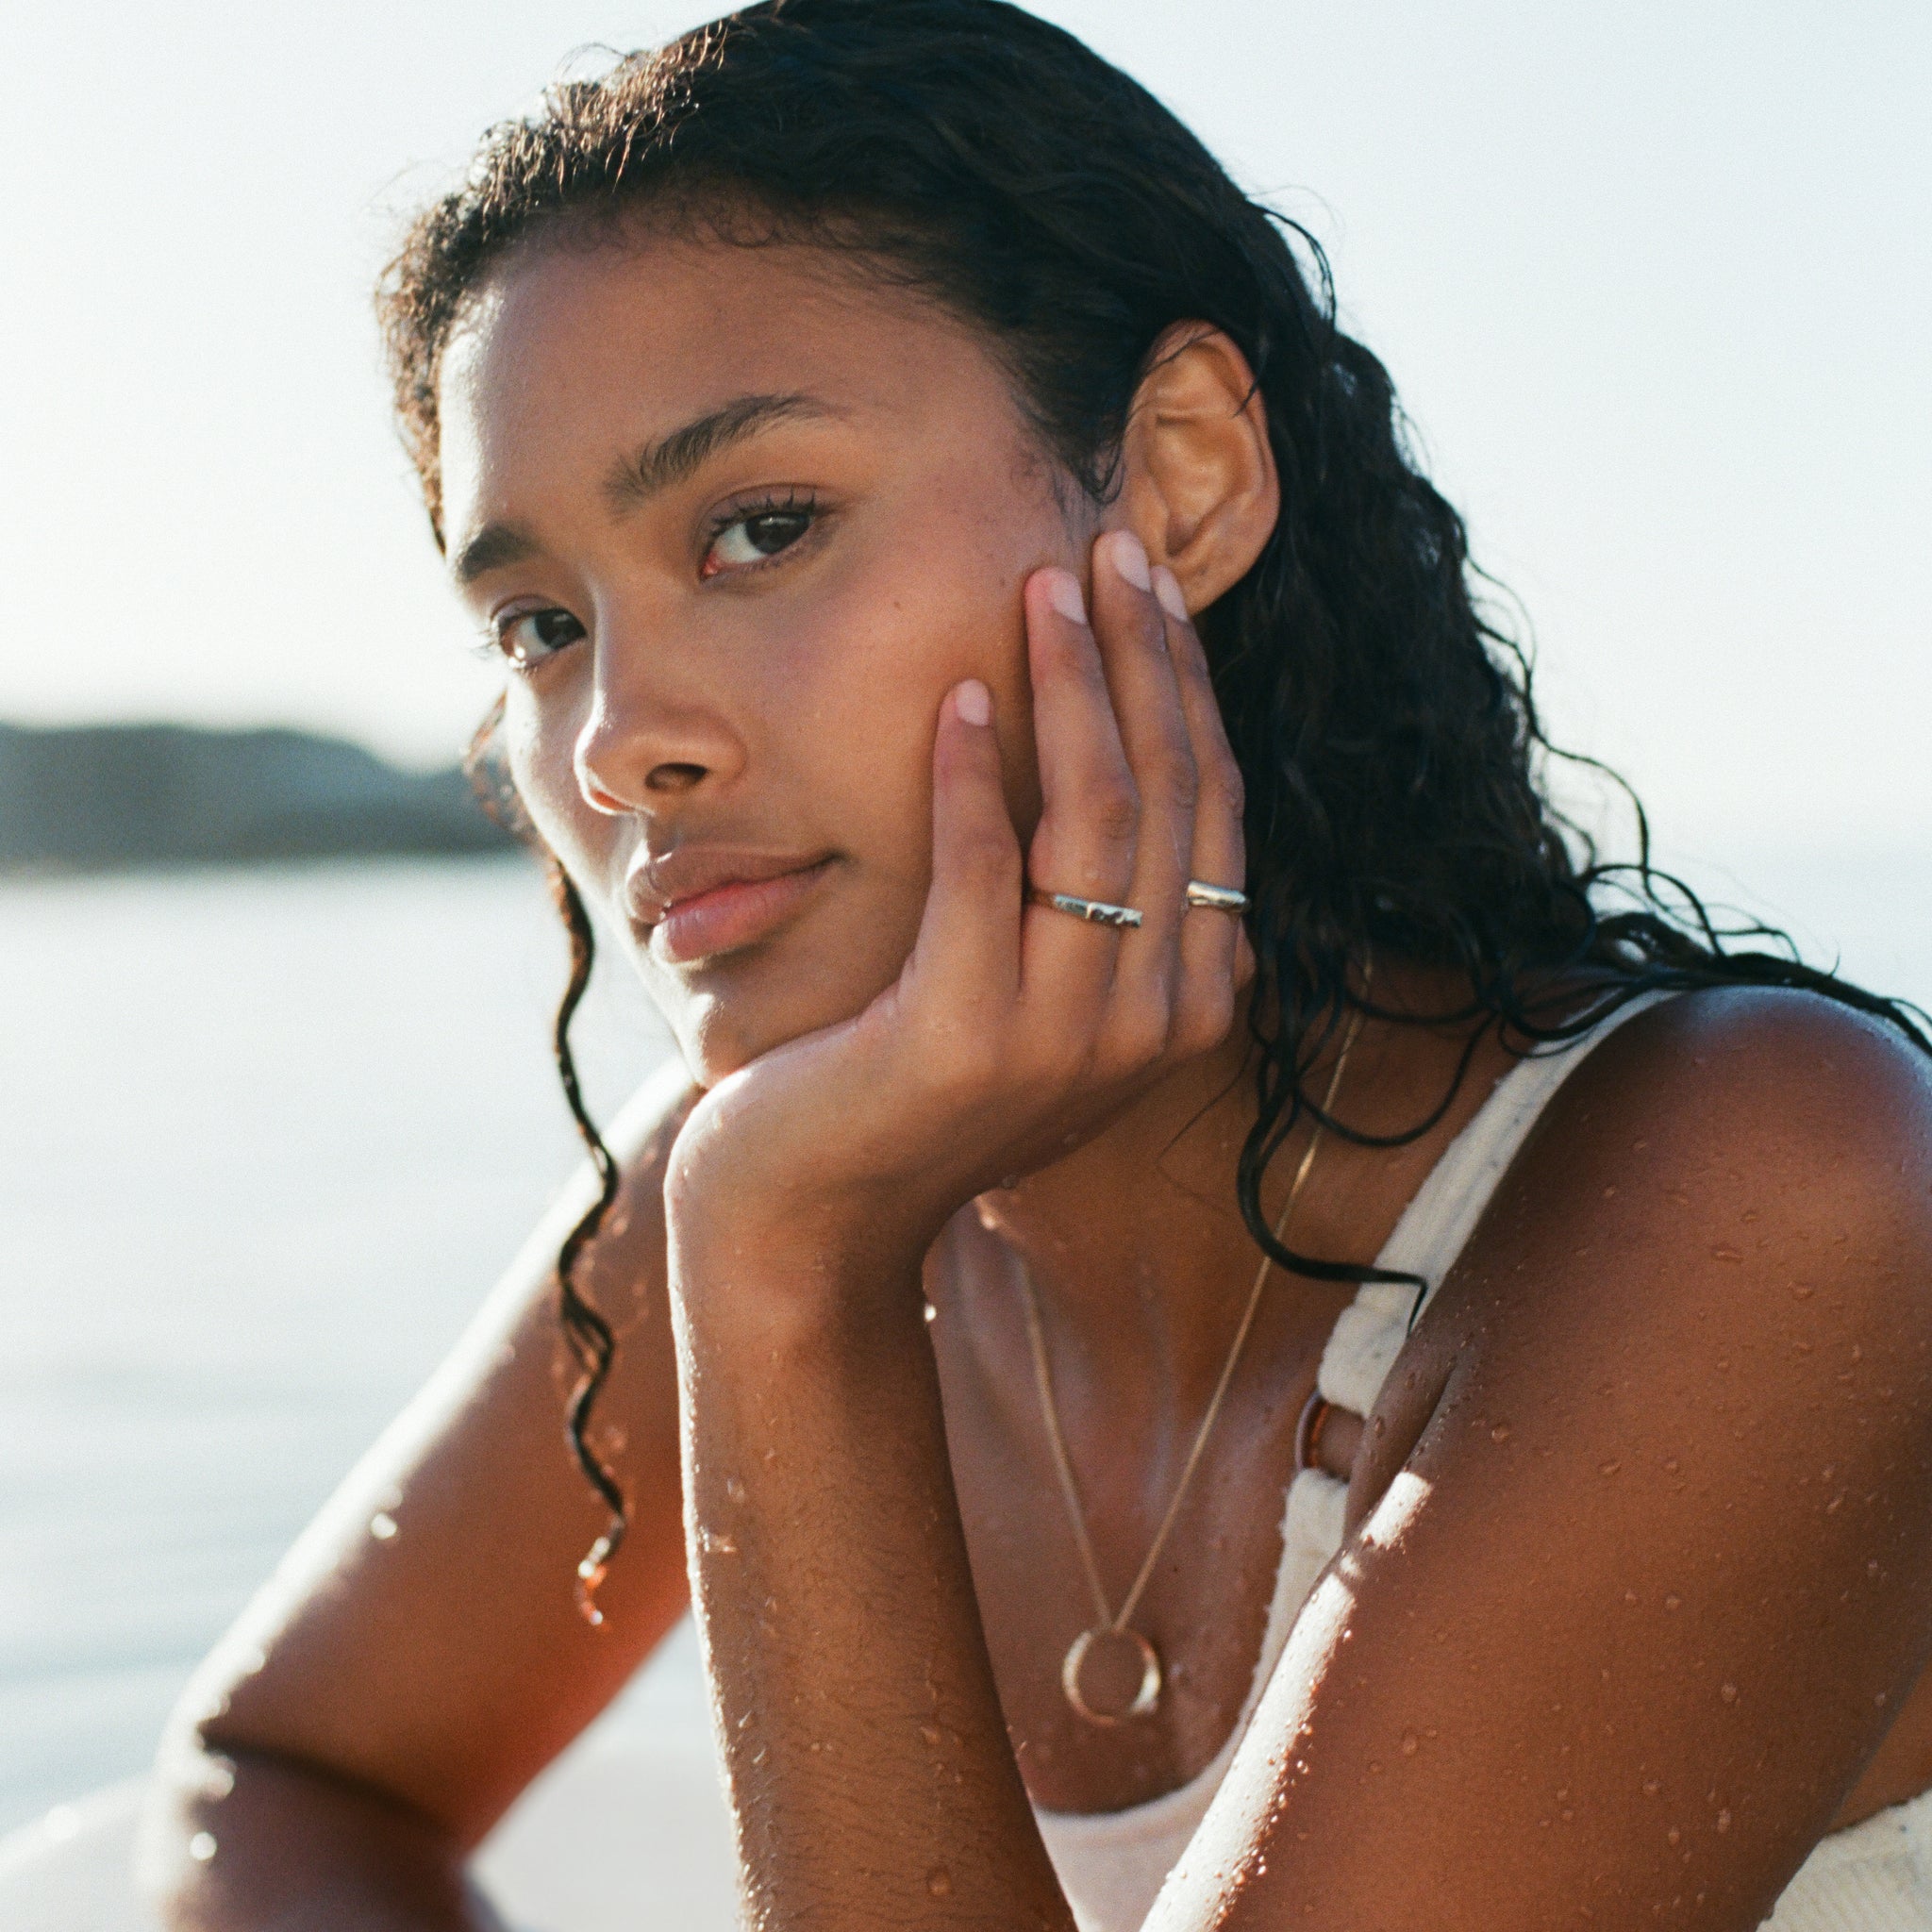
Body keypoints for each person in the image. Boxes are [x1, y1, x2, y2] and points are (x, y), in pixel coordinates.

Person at [141, 3, 1932, 1926]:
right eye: (538, 621)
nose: (617, 738)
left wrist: (785, 1279)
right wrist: (763, 1236)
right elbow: (280, 1772)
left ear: (1177, 473)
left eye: (760, 528)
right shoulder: (768, 1167)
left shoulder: (1766, 1181)